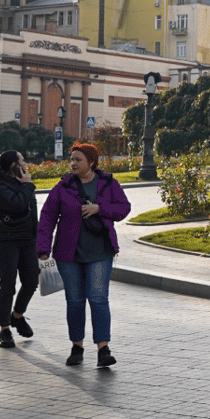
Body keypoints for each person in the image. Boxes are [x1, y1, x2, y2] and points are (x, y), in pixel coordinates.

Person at [37, 142, 131, 367]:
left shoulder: (108, 183)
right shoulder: (63, 186)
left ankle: (103, 349)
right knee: (75, 301)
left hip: (100, 251)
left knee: (98, 298)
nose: (73, 163)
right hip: (68, 254)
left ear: (91, 162)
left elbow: (124, 208)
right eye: (72, 159)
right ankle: (76, 347)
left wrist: (100, 208)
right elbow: (47, 217)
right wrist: (43, 248)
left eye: (78, 160)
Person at [0, 150, 38, 349]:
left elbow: (32, 212)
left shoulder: (23, 184)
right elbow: (17, 205)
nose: (25, 165)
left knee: (32, 282)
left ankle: (17, 316)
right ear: (13, 166)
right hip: (5, 241)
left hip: (27, 240)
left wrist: (38, 240)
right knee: (8, 286)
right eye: (22, 161)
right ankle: (4, 329)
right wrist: (27, 185)